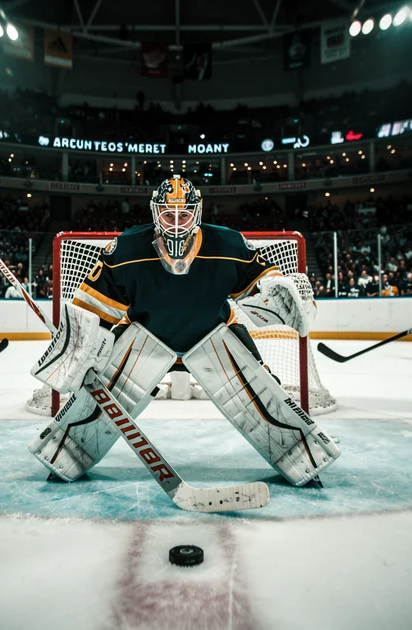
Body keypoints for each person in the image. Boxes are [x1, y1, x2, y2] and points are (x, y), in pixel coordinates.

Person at [28, 175, 339, 486]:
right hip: (145, 339)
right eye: (168, 215)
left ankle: (302, 457)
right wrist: (79, 351)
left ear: (197, 213)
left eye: (184, 215)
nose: (176, 224)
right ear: (156, 213)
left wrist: (281, 291)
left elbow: (263, 284)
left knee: (263, 396)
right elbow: (92, 308)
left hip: (214, 336)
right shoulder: (126, 248)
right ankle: (64, 453)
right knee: (98, 397)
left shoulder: (228, 244)